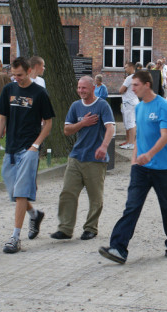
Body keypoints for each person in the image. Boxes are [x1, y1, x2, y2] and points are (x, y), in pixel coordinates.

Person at [99, 71, 167, 264]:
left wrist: (149, 155)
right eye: (132, 85)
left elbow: (165, 136)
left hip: (163, 166)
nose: (132, 88)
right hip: (141, 167)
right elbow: (139, 136)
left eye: (136, 85)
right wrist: (134, 158)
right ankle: (118, 248)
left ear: (147, 85)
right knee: (132, 206)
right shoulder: (139, 108)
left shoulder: (162, 105)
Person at [0, 56, 55, 254]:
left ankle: (15, 237)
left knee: (20, 193)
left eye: (19, 75)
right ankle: (35, 214)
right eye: (14, 75)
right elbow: (2, 118)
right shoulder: (9, 90)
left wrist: (35, 146)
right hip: (11, 147)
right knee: (13, 191)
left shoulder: (39, 93)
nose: (16, 78)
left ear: (28, 72)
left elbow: (49, 123)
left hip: (29, 149)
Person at [51, 76, 115, 241]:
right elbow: (66, 130)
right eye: (79, 88)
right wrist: (83, 123)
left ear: (93, 88)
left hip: (95, 159)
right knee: (67, 192)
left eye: (84, 88)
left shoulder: (102, 105)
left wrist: (104, 146)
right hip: (76, 157)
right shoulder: (75, 106)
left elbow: (110, 128)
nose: (80, 91)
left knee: (95, 197)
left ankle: (90, 228)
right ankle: (65, 228)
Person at [119, 61, 139, 150]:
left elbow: (121, 90)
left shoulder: (129, 78)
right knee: (129, 122)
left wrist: (123, 85)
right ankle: (129, 141)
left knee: (130, 123)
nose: (125, 69)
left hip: (129, 102)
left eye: (126, 67)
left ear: (131, 67)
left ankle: (131, 143)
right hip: (134, 101)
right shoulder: (137, 77)